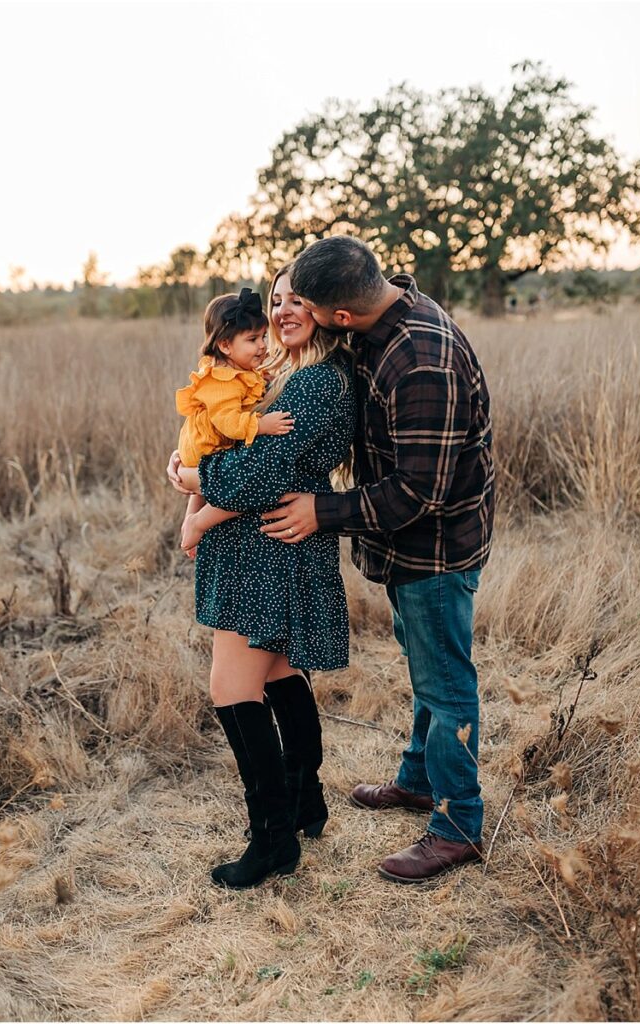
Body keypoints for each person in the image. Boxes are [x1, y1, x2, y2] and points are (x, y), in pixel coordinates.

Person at [260, 236, 495, 884]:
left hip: (436, 552)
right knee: (427, 667)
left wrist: (322, 511)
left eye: (305, 303)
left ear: (341, 314)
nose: (290, 311)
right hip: (409, 548)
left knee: (447, 685)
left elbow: (420, 492)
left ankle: (457, 826)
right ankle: (420, 781)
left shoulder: (420, 359)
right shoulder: (380, 322)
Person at [167, 265, 356, 890]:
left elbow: (257, 475)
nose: (282, 311)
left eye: (298, 299)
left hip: (268, 553)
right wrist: (189, 459)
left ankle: (271, 840)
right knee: (276, 673)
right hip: (260, 548)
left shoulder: (320, 385)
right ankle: (303, 805)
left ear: (329, 308)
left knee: (231, 688)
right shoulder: (281, 376)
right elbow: (230, 444)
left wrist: (195, 492)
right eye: (276, 300)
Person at [175, 288, 295, 554]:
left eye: (263, 337)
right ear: (225, 345)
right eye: (252, 339)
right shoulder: (221, 381)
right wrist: (262, 425)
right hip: (206, 445)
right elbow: (229, 423)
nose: (263, 345)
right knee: (237, 484)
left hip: (207, 447)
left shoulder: (240, 370)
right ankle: (197, 523)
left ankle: (190, 526)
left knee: (210, 486)